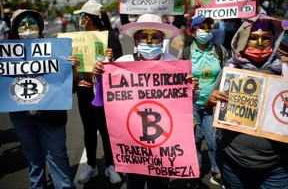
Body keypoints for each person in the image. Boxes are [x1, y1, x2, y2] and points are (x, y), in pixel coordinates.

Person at [92, 14, 200, 189]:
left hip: (163, 147)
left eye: (155, 36)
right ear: (135, 41)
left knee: (159, 185)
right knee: (134, 184)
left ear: (162, 40)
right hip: (134, 146)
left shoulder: (173, 64)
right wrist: (98, 77)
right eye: (144, 36)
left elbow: (187, 103)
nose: (149, 41)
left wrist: (192, 89)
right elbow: (103, 98)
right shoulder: (121, 64)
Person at [205, 14, 288, 188]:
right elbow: (209, 107)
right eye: (253, 38)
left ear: (273, 40)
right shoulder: (230, 69)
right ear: (243, 41)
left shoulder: (285, 71)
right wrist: (211, 101)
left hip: (277, 167)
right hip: (232, 163)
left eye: (265, 38)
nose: (259, 44)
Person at [8, 9, 76, 189]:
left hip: (51, 117)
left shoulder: (56, 51)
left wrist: (70, 71)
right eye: (22, 24)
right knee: (33, 160)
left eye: (32, 23)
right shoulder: (5, 55)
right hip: (21, 116)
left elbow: (71, 89)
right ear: (14, 29)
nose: (27, 27)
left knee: (57, 159)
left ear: (40, 27)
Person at [72, 0, 123, 184]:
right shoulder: (77, 39)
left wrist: (111, 60)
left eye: (81, 16)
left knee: (106, 129)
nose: (80, 20)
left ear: (86, 19)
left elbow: (120, 66)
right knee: (89, 130)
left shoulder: (110, 37)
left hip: (103, 93)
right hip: (84, 91)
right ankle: (91, 167)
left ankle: (111, 166)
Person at [178, 15, 228, 188]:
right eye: (202, 28)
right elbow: (176, 80)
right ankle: (195, 169)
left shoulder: (220, 51)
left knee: (215, 140)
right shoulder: (184, 53)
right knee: (194, 139)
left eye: (208, 28)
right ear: (192, 32)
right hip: (191, 104)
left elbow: (228, 74)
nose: (206, 31)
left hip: (214, 105)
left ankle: (216, 169)